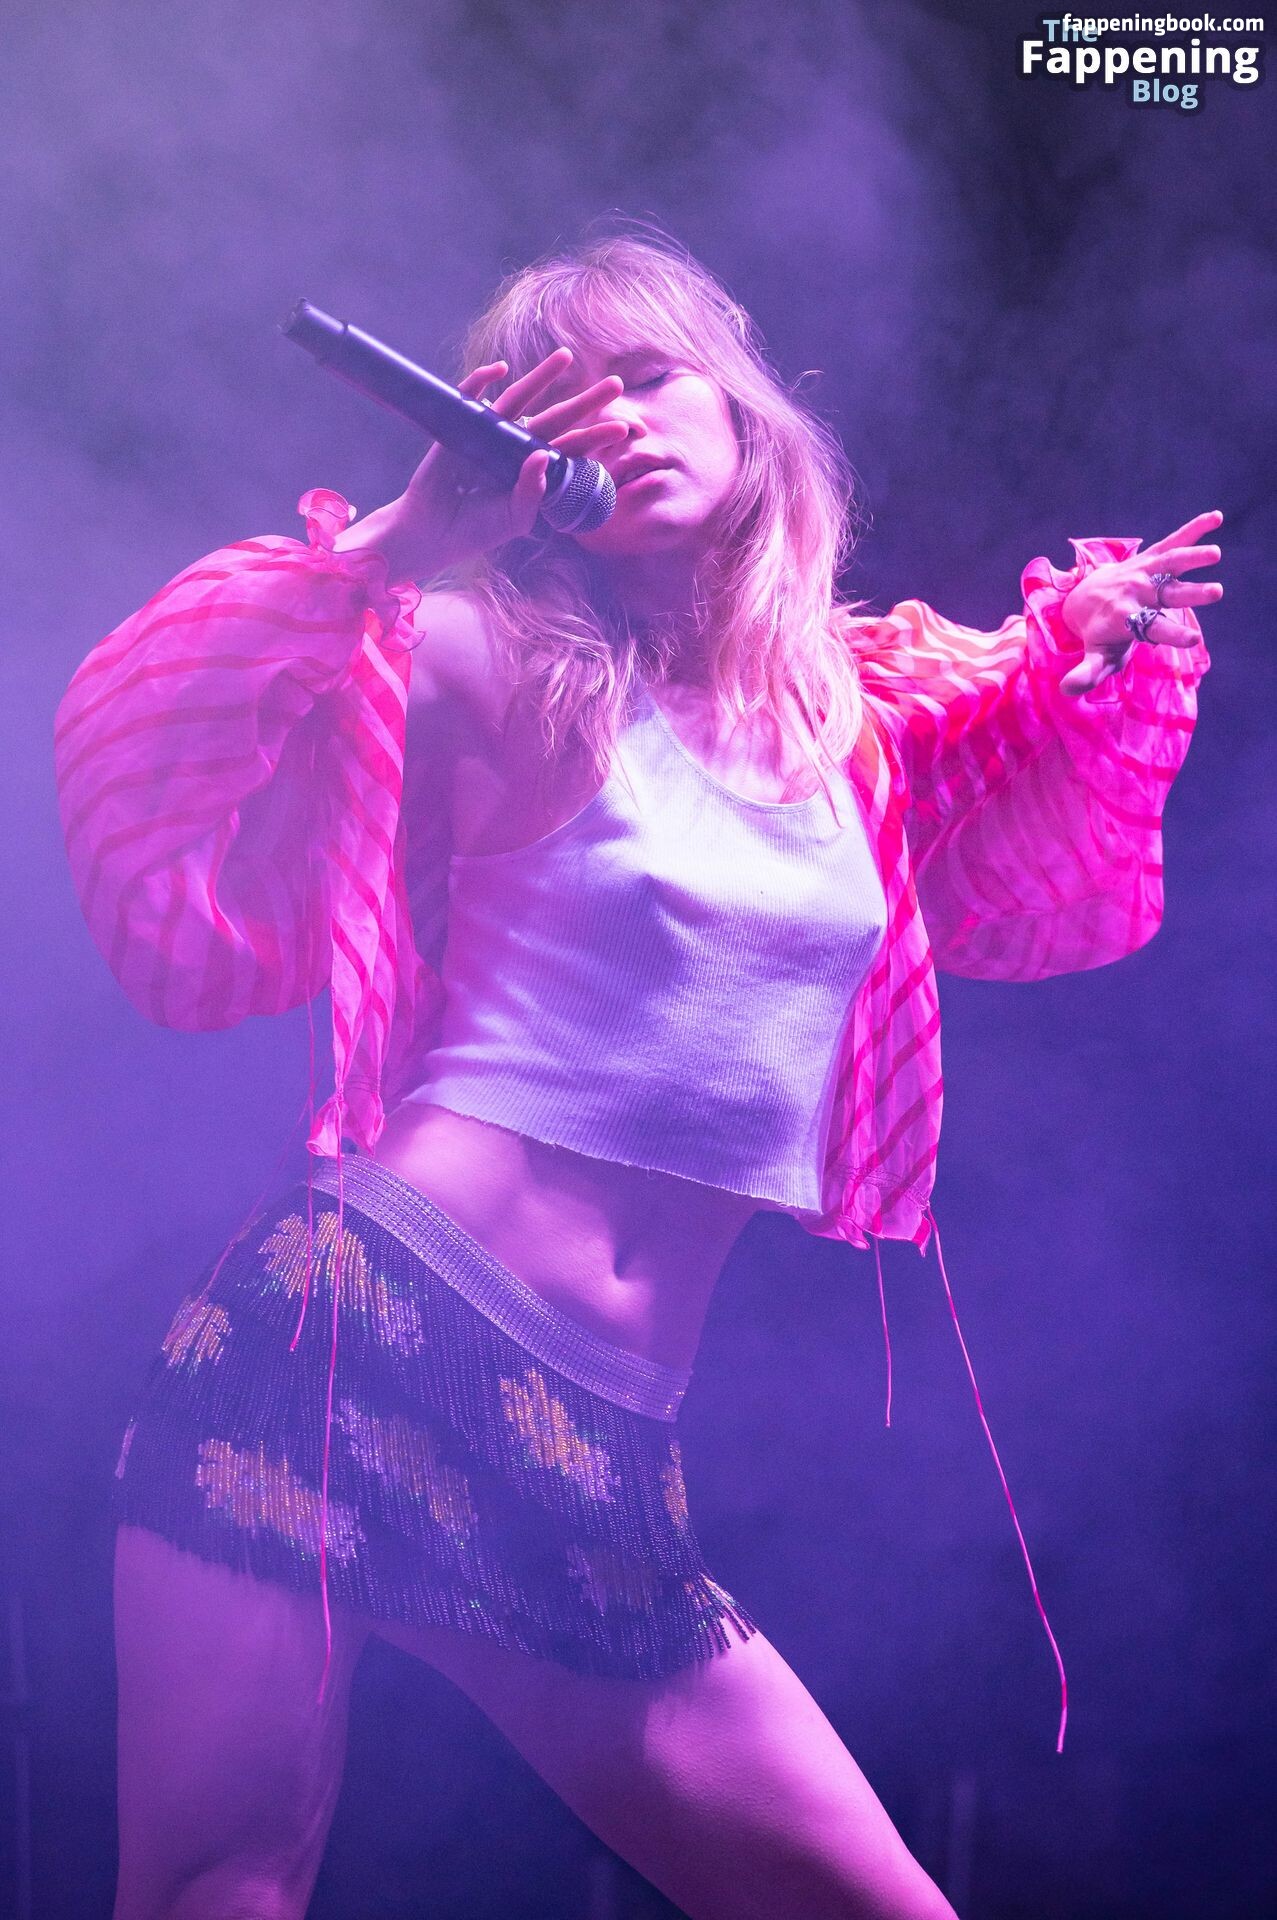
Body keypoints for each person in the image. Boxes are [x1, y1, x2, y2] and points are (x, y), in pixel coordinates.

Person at [55, 230, 1219, 1920]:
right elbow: (145, 736)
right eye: (573, 397)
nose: (620, 418)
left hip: (604, 1437)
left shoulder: (857, 713)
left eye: (654, 375)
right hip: (351, 1330)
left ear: (748, 415)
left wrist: (1082, 645)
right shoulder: (482, 659)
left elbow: (1017, 789)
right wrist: (396, 546)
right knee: (219, 1891)